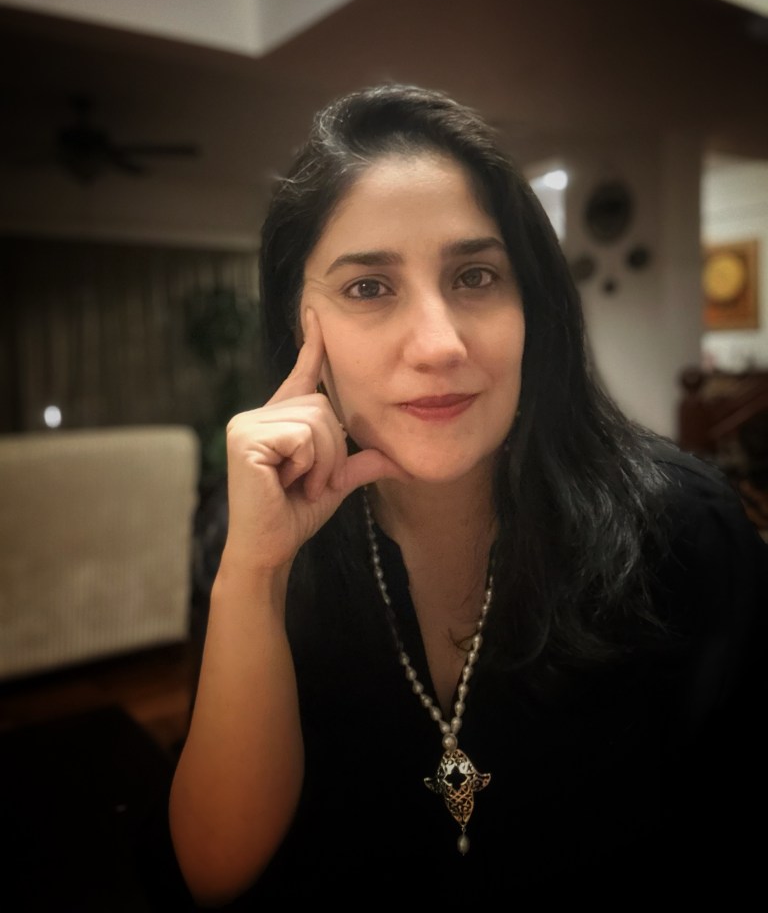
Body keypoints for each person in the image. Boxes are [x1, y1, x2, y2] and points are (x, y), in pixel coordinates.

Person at [168, 84, 767, 907]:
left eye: (476, 275)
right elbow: (216, 870)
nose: (440, 344)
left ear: (532, 307)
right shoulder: (244, 531)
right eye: (369, 288)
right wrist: (257, 574)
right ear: (299, 322)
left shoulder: (685, 528)